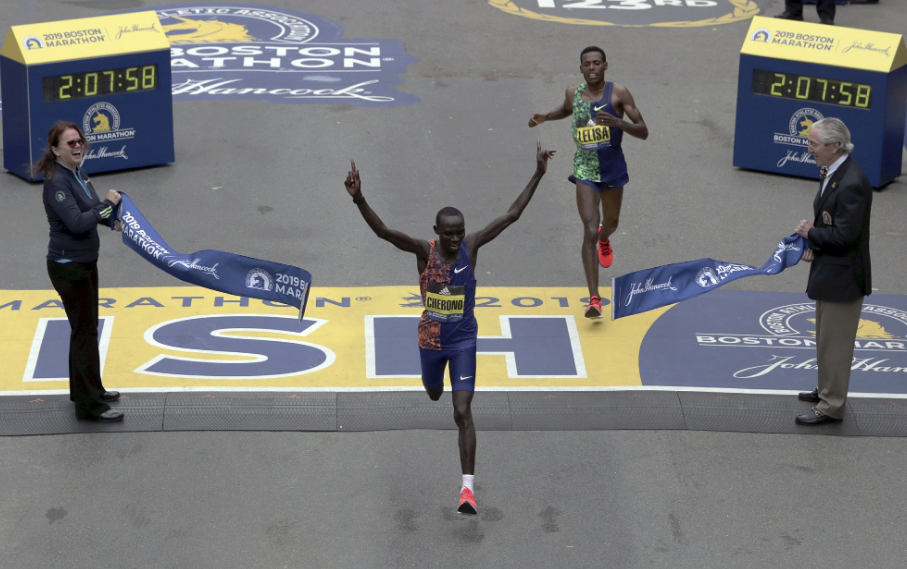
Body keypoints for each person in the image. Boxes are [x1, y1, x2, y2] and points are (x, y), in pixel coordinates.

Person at [344, 142, 555, 514]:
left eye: (460, 233)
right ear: (436, 231)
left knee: (462, 412)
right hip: (430, 340)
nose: (456, 239)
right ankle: (434, 382)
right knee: (432, 394)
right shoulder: (423, 252)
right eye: (449, 234)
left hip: (463, 342)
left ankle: (467, 491)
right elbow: (383, 233)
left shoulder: (473, 247)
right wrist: (359, 199)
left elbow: (511, 216)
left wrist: (538, 173)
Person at [528, 46, 648, 319]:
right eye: (587, 64)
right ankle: (594, 298)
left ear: (606, 66)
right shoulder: (573, 93)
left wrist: (619, 124)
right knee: (589, 229)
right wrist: (546, 117)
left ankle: (607, 238)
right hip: (585, 171)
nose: (592, 67)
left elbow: (643, 131)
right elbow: (566, 109)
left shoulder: (619, 93)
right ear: (581, 68)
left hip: (613, 170)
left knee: (611, 224)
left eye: (597, 63)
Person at [34, 121, 124, 423]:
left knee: (85, 331)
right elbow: (77, 222)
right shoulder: (56, 181)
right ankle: (90, 407)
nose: (76, 146)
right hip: (68, 267)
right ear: (55, 149)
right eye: (69, 143)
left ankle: (89, 390)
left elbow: (93, 212)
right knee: (84, 333)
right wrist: (107, 205)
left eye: (79, 141)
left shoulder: (79, 174)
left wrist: (112, 219)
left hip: (85, 262)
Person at [794, 118, 872, 425]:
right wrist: (817, 242)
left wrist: (811, 234)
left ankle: (831, 405)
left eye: (814, 144)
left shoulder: (851, 182)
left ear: (834, 146)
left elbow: (844, 236)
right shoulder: (835, 172)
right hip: (831, 269)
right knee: (826, 339)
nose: (809, 148)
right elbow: (832, 225)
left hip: (844, 277)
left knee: (836, 345)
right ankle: (827, 389)